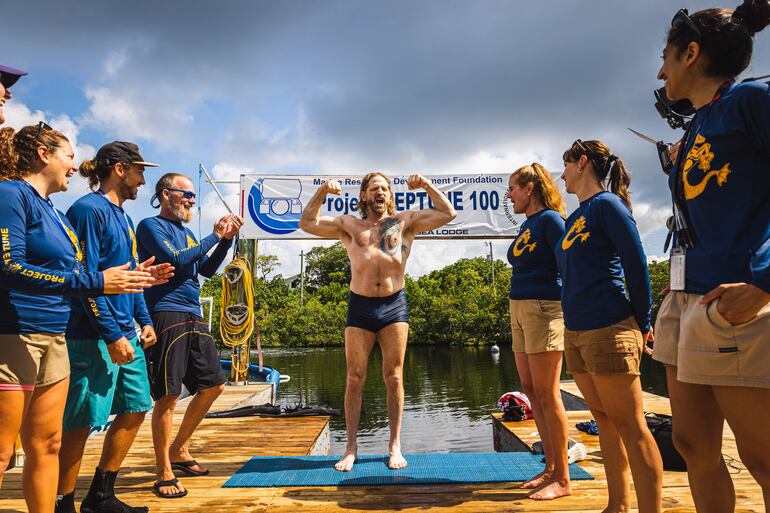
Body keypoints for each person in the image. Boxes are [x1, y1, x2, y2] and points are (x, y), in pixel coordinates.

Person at [0, 123, 156, 513]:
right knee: (5, 451)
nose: (74, 165)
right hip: (18, 334)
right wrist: (100, 289)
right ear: (43, 154)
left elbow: (94, 274)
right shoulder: (12, 196)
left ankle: (71, 504)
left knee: (48, 443)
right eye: (69, 156)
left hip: (57, 336)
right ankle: (68, 499)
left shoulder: (55, 211)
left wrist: (134, 287)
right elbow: (9, 266)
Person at [653, 4, 770, 512]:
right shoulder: (700, 123)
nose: (661, 71)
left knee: (763, 458)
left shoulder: (752, 100)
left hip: (735, 301)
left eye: (666, 57)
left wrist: (766, 282)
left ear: (692, 53)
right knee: (693, 445)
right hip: (687, 299)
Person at [300, 172, 456, 471]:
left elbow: (448, 212)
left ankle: (395, 445)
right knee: (354, 377)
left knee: (394, 377)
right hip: (359, 307)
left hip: (394, 304)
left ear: (390, 195)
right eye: (374, 189)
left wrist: (425, 185)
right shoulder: (349, 225)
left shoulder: (404, 222)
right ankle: (350, 448)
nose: (380, 192)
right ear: (364, 195)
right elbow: (306, 223)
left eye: (385, 188)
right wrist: (322, 191)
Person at [56, 142, 167, 513]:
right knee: (82, 419)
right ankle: (62, 502)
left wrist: (145, 321)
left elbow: (129, 278)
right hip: (93, 335)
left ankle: (101, 495)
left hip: (127, 332)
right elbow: (86, 278)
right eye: (139, 170)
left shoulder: (125, 218)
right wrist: (111, 334)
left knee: (137, 407)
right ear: (119, 169)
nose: (143, 179)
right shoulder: (88, 210)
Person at [556, 140, 663, 513]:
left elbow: (637, 266)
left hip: (610, 326)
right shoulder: (577, 216)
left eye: (566, 165)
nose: (563, 173)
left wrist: (642, 321)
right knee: (603, 420)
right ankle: (617, 505)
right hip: (577, 331)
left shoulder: (608, 206)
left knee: (631, 426)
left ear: (582, 163)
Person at [136, 173, 243, 498]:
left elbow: (204, 270)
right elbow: (178, 260)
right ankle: (163, 471)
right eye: (188, 195)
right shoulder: (150, 226)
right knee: (168, 395)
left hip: (193, 312)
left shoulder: (186, 233)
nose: (193, 201)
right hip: (166, 312)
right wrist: (213, 236)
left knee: (214, 385)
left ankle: (178, 449)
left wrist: (225, 240)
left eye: (194, 196)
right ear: (167, 194)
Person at [505, 163, 570, 501]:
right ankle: (549, 467)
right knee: (531, 389)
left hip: (545, 308)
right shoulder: (529, 224)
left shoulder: (552, 221)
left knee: (547, 392)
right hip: (520, 308)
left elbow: (569, 266)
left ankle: (563, 478)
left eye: (513, 188)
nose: (509, 194)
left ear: (529, 188)